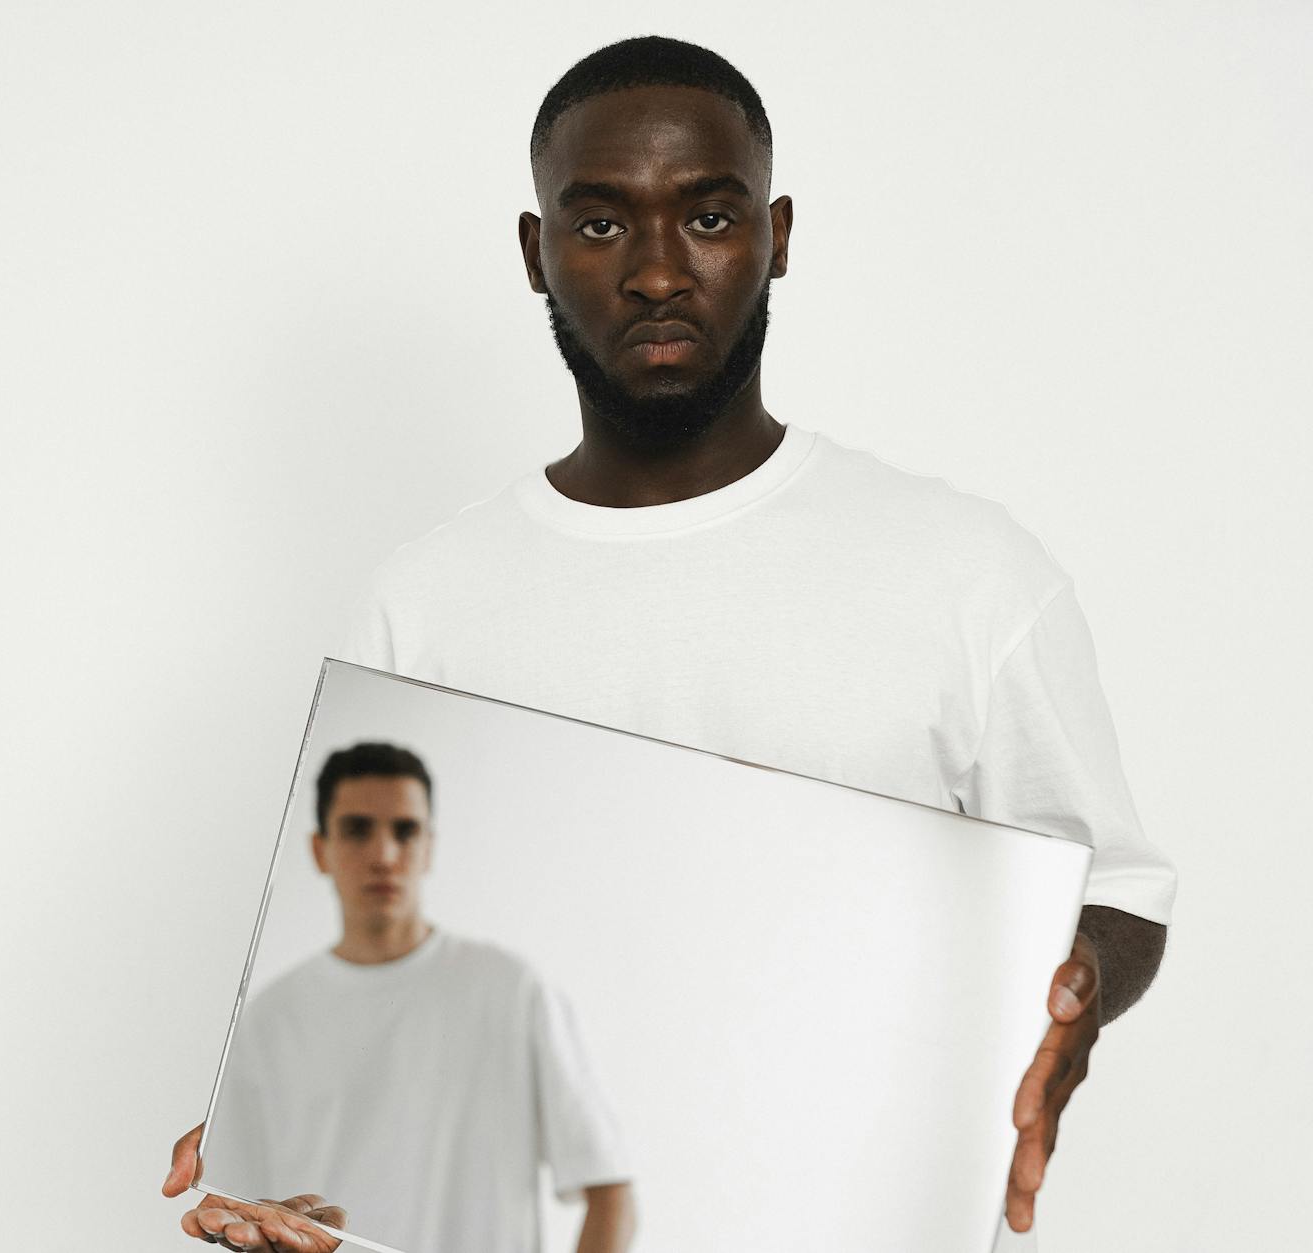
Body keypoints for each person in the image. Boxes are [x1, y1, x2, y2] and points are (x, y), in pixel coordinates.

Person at [165, 35, 1175, 1253]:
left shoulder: (967, 572)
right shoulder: (423, 602)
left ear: (775, 236)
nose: (655, 271)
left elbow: (1114, 887)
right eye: (600, 225)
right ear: (535, 253)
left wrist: (1071, 992)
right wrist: (289, 1137)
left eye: (706, 216)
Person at [199, 742, 634, 1253]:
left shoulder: (512, 992)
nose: (384, 855)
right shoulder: (266, 1022)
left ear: (428, 847)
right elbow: (236, 1212)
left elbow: (610, 1193)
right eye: (357, 829)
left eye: (405, 831)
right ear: (320, 849)